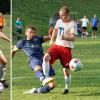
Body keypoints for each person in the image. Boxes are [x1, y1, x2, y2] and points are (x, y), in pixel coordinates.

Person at [42, 6, 77, 94]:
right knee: (46, 57)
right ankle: (46, 78)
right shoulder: (58, 21)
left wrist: (65, 37)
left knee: (66, 71)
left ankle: (67, 87)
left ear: (68, 14)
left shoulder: (73, 24)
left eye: (63, 15)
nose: (61, 17)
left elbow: (73, 38)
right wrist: (52, 40)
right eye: (60, 15)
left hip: (66, 49)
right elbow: (55, 31)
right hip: (57, 46)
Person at [12, 25, 55, 93]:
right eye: (30, 32)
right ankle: (43, 78)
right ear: (26, 33)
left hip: (44, 59)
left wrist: (51, 33)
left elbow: (50, 38)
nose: (32, 34)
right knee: (37, 67)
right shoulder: (22, 42)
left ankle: (36, 91)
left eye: (33, 32)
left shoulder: (38, 39)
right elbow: (13, 50)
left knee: (52, 86)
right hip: (33, 59)